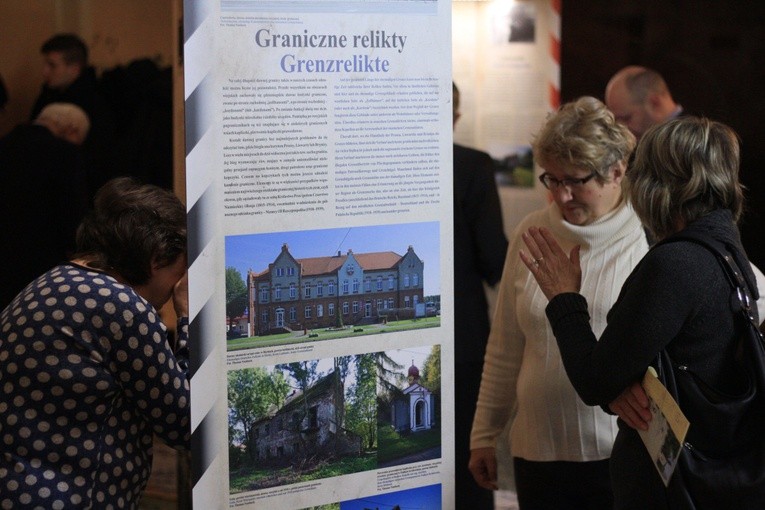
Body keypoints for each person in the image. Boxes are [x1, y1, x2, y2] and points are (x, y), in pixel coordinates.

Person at [519, 116, 764, 508]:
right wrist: (625, 383)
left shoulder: (675, 264)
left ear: (655, 184)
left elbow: (595, 380)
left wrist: (564, 296)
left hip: (669, 489)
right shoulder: (725, 248)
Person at [469, 96, 649, 509]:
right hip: (537, 453)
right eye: (552, 179)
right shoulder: (532, 233)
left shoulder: (647, 234)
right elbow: (505, 347)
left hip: (618, 452)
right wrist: (484, 434)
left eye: (576, 180)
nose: (562, 196)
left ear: (616, 171)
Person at [0, 177, 190, 509]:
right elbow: (186, 424)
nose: (180, 281)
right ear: (157, 258)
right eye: (182, 267)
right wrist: (187, 314)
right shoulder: (122, 307)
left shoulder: (54, 280)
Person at [452, 82, 508, 509]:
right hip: (463, 334)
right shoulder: (470, 166)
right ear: (454, 115)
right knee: (468, 453)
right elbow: (494, 259)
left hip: (399, 328)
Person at [0, 102, 91, 309]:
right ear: (71, 130)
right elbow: (72, 214)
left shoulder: (5, 145)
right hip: (41, 263)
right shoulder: (65, 154)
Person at [30, 33, 116, 198]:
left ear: (74, 69)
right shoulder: (47, 95)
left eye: (52, 65)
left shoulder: (95, 103)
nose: (44, 72)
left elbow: (100, 157)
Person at [604, 66, 683, 140]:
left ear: (655, 103)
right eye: (616, 121)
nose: (621, 129)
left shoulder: (688, 142)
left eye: (626, 118)